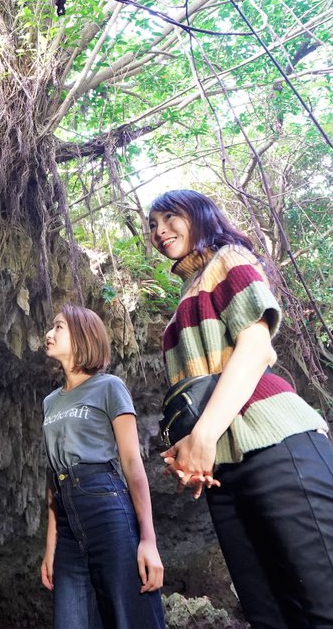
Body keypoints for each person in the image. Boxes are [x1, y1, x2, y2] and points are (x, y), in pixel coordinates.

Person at [149, 188, 333, 629]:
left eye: (169, 217)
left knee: (323, 600)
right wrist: (190, 449)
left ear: (199, 214)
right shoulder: (185, 296)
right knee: (268, 613)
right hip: (224, 471)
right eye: (151, 226)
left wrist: (204, 437)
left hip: (274, 442)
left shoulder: (229, 259)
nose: (158, 231)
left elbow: (255, 348)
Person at [40, 304, 165, 629]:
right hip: (68, 522)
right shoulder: (50, 402)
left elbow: (131, 463)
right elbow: (53, 479)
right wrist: (50, 548)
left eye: (58, 328)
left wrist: (148, 539)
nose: (48, 334)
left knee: (131, 617)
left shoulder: (109, 387)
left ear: (82, 336)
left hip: (106, 505)